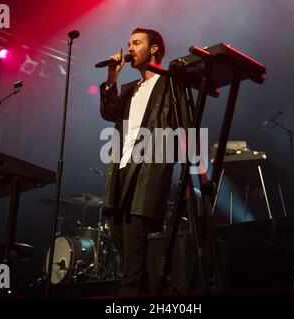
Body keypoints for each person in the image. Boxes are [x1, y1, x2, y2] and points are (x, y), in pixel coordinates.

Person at [99, 27, 180, 297]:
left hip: (147, 171)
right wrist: (112, 76)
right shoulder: (130, 89)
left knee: (133, 258)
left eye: (136, 43)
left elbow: (182, 125)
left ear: (154, 48)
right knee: (121, 240)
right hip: (122, 170)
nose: (130, 48)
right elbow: (108, 113)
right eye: (128, 44)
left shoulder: (170, 82)